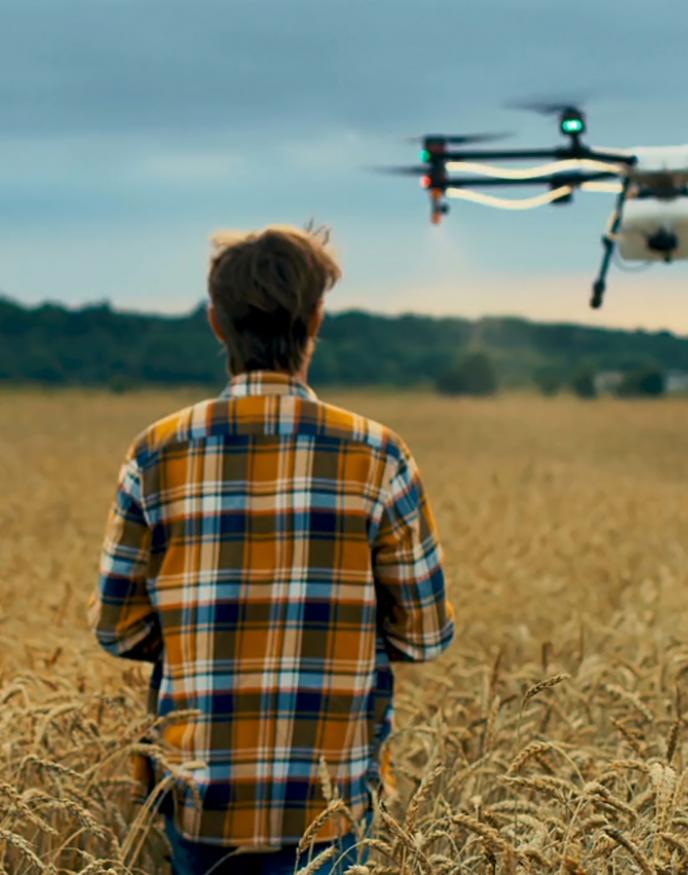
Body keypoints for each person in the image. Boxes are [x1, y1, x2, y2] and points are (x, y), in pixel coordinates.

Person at [88, 224, 454, 875]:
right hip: (328, 806)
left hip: (199, 800)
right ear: (316, 318)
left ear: (215, 324)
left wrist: (205, 635)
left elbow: (116, 630)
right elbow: (424, 635)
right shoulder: (379, 455)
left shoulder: (155, 452)